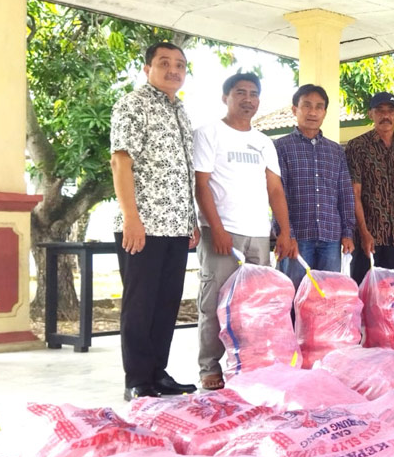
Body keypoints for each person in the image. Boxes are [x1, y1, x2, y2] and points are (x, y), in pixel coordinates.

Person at [192, 72, 297, 391]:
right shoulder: (208, 133)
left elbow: (275, 189)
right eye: (240, 93)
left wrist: (284, 232)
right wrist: (217, 230)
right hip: (221, 234)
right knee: (213, 304)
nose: (248, 99)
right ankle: (209, 367)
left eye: (253, 94)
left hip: (257, 236)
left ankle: (250, 364)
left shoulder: (263, 141)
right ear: (226, 97)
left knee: (257, 304)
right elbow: (201, 185)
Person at [110, 41, 200, 401]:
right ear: (148, 68)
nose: (173, 70)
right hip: (142, 226)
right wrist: (131, 217)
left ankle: (157, 373)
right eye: (165, 63)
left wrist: (191, 219)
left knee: (166, 303)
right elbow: (121, 162)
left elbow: (183, 172)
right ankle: (136, 379)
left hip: (177, 226)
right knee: (140, 304)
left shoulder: (181, 112)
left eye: (180, 64)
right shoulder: (133, 104)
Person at [274, 84, 355, 291]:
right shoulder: (281, 147)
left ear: (325, 112)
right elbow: (277, 193)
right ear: (295, 109)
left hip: (330, 237)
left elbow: (345, 193)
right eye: (306, 105)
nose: (312, 112)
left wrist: (347, 233)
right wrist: (286, 234)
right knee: (292, 296)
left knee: (326, 301)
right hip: (297, 238)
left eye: (319, 107)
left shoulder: (335, 151)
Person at [345, 92, 394, 284]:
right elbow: (354, 193)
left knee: (393, 297)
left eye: (390, 111)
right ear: (371, 114)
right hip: (368, 238)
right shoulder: (357, 147)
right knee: (364, 293)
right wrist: (363, 233)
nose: (385, 116)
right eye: (379, 111)